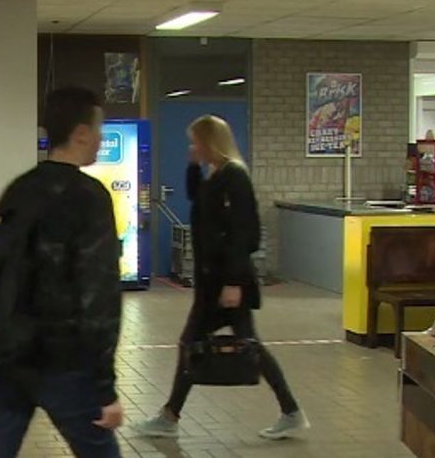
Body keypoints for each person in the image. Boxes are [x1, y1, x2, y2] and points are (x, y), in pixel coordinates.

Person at [130, 115, 308, 441]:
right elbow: (197, 199)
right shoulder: (216, 175)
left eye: (196, 141)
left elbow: (245, 232)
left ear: (211, 141)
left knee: (194, 343)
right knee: (244, 345)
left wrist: (234, 282)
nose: (192, 146)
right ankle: (290, 411)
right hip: (213, 281)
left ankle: (170, 416)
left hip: (226, 283)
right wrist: (193, 166)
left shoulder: (235, 176)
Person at [0, 87, 123, 458]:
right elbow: (98, 295)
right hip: (65, 360)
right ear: (81, 134)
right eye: (98, 128)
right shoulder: (89, 197)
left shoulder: (20, 189)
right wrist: (105, 387)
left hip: (11, 359)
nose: (101, 139)